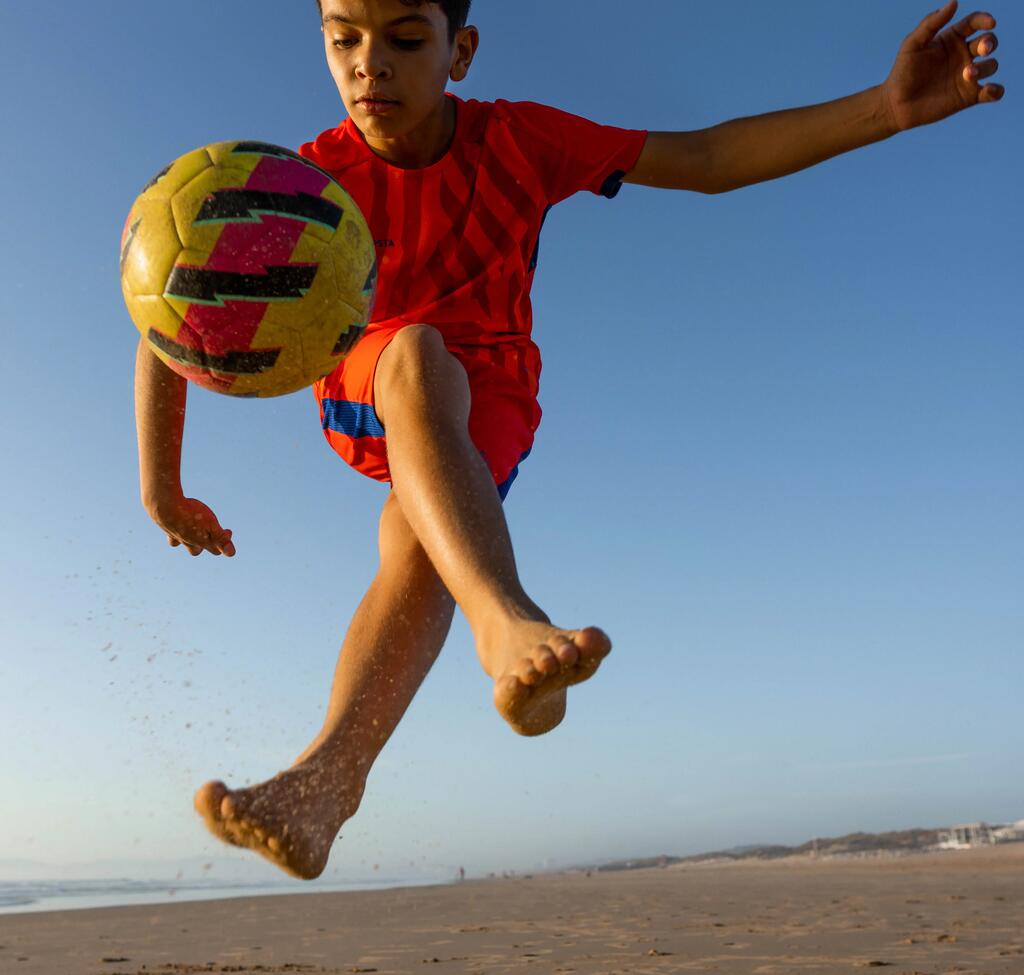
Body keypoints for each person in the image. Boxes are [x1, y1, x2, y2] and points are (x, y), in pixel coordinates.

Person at [134, 0, 1003, 879]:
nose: (371, 65)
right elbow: (173, 304)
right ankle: (505, 622)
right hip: (369, 382)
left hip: (497, 395)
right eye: (344, 39)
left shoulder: (519, 142)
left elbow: (702, 159)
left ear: (460, 52)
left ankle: (324, 786)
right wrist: (161, 485)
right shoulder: (306, 185)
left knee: (416, 537)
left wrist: (883, 110)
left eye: (404, 39)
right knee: (415, 355)